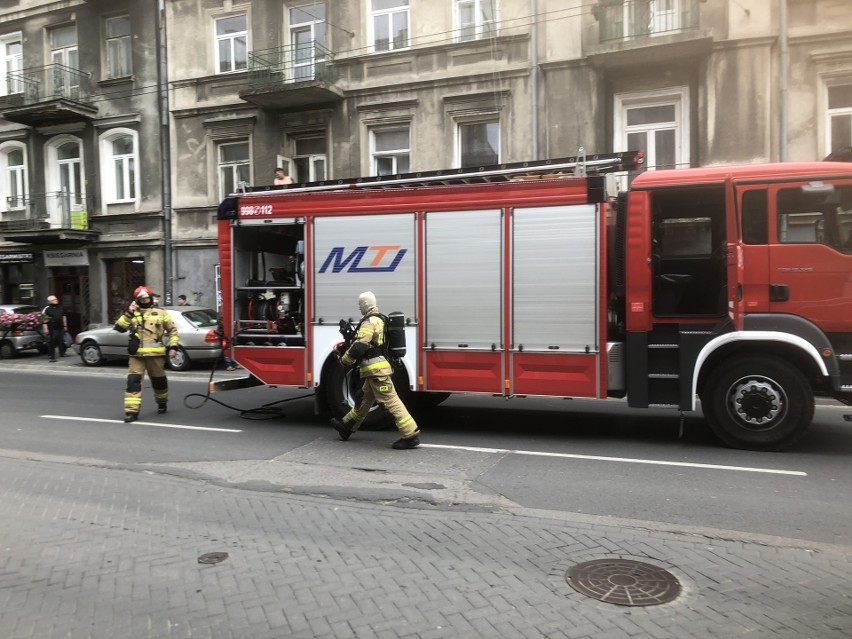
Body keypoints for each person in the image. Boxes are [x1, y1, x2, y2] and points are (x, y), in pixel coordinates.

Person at [330, 291, 420, 449]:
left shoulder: (370, 322)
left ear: (365, 304)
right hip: (374, 372)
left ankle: (410, 434)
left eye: (360, 305)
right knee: (363, 400)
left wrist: (345, 360)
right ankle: (347, 426)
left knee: (390, 401)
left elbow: (359, 346)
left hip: (377, 372)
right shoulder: (380, 319)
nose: (359, 308)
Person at [113, 286, 179, 423]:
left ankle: (162, 403)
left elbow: (172, 331)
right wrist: (129, 313)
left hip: (155, 355)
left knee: (159, 382)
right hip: (136, 356)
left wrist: (173, 346)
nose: (144, 300)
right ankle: (131, 412)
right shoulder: (132, 313)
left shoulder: (161, 313)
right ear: (137, 300)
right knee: (133, 383)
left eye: (146, 298)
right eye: (141, 299)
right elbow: (119, 328)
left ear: (150, 297)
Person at [42, 295, 68, 362]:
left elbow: (64, 317)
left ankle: (62, 353)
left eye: (56, 299)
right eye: (53, 300)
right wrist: (45, 328)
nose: (56, 300)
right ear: (50, 301)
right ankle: (52, 356)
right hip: (52, 328)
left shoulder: (60, 308)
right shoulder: (47, 309)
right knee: (52, 342)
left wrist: (65, 326)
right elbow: (44, 319)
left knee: (61, 340)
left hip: (60, 327)